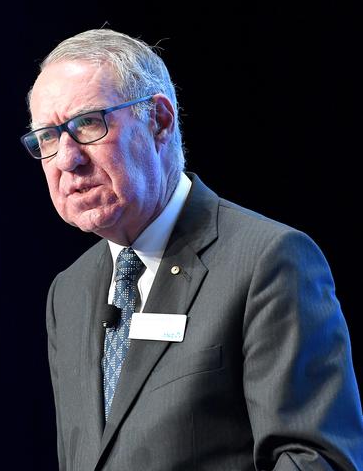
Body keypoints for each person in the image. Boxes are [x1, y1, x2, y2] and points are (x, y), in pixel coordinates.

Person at [21, 28, 363, 470]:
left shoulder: (268, 262)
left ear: (159, 121)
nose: (67, 158)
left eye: (87, 124)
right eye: (47, 137)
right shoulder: (67, 293)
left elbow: (314, 459)